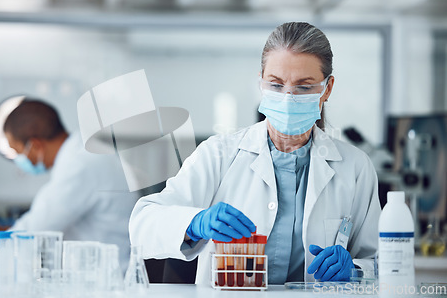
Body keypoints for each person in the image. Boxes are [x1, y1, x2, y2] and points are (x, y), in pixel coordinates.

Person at [129, 22, 381, 284]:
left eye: (304, 87)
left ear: (326, 89)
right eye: (275, 84)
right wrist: (194, 222)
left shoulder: (355, 168)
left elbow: (381, 262)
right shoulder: (218, 155)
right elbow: (142, 225)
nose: (287, 97)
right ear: (260, 82)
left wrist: (355, 270)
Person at [4, 99, 138, 272]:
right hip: (102, 270)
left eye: (18, 152)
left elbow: (36, 228)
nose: (20, 161)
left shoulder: (79, 165)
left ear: (35, 145)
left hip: (104, 277)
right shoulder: (83, 152)